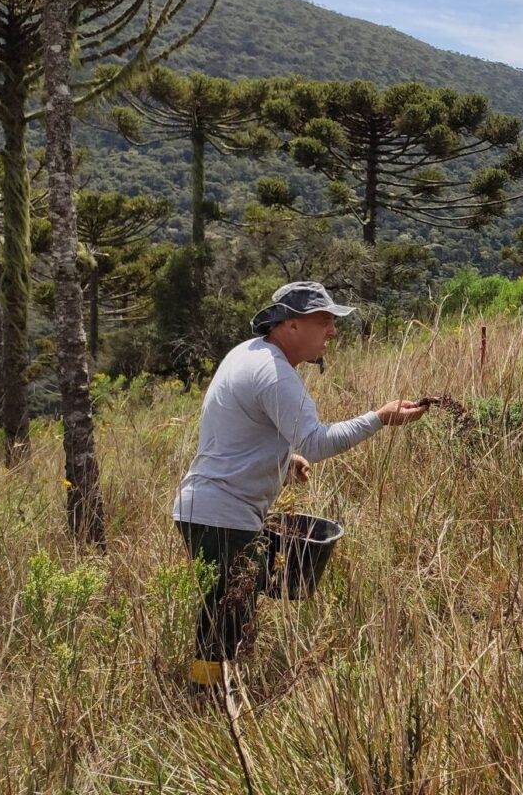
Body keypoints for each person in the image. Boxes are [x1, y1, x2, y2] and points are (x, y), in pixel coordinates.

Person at [171, 281, 428, 693]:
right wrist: (379, 418)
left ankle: (214, 695)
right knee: (225, 620)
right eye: (324, 321)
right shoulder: (275, 374)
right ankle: (209, 699)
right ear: (290, 325)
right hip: (223, 515)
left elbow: (237, 432)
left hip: (205, 509)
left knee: (228, 613)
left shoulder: (247, 355)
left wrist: (282, 459)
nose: (332, 331)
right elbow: (316, 441)